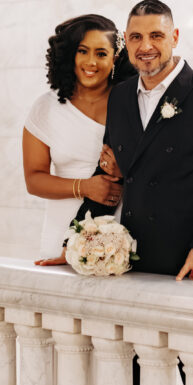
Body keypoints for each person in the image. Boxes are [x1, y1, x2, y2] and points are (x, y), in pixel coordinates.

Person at [77, 0, 193, 281]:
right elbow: (109, 174)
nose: (145, 46)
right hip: (131, 260)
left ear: (174, 37)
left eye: (156, 36)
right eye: (136, 37)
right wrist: (75, 243)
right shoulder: (120, 96)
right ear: (126, 40)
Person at [22, 14, 133, 260]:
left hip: (122, 230)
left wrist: (124, 169)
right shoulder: (46, 107)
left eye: (101, 54)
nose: (91, 62)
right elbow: (33, 180)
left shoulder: (133, 103)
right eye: (83, 51)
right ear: (70, 54)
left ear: (115, 57)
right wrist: (85, 187)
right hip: (61, 230)